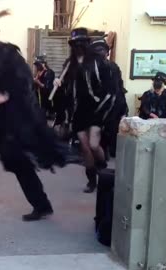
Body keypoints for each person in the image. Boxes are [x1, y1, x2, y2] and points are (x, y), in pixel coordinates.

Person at [0, 10, 68, 221]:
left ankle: (43, 203)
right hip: (3, 122)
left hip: (21, 118)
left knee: (26, 159)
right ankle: (42, 204)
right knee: (16, 162)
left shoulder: (9, 54)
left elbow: (24, 82)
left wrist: (3, 96)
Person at [54, 28, 117, 193]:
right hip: (78, 110)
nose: (78, 46)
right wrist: (58, 84)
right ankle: (91, 180)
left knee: (94, 144)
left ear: (87, 44)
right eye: (75, 43)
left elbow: (109, 87)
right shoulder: (70, 64)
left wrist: (104, 109)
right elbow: (67, 89)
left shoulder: (98, 62)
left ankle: (103, 169)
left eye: (81, 43)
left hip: (96, 108)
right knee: (85, 146)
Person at [89, 37, 128, 158]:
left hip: (111, 106)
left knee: (108, 133)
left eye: (102, 50)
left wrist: (123, 109)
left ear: (106, 52)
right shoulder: (89, 68)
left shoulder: (113, 67)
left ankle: (105, 154)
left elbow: (118, 88)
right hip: (97, 107)